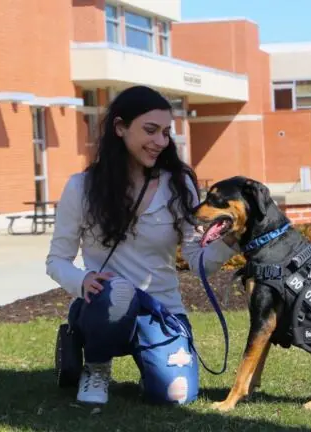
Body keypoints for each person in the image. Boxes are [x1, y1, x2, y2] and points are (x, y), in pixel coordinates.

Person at [45, 85, 238, 406]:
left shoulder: (179, 184)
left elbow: (194, 258)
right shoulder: (81, 187)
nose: (161, 142)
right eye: (150, 131)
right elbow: (56, 261)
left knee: (175, 396)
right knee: (119, 292)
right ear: (120, 128)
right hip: (104, 304)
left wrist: (230, 241)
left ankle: (151, 356)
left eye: (165, 132)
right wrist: (82, 281)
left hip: (162, 310)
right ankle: (96, 365)